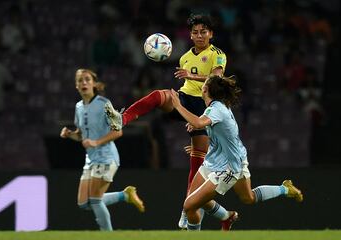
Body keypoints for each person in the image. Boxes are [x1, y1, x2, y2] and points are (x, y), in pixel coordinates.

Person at [107, 13, 227, 229]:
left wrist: (190, 76)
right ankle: (122, 118)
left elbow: (217, 79)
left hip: (204, 106)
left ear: (211, 34)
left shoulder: (217, 54)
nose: (199, 35)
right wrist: (184, 86)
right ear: (190, 35)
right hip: (184, 99)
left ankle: (187, 209)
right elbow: (185, 84)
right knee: (159, 95)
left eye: (203, 32)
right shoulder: (184, 57)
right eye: (195, 32)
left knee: (197, 164)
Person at [169, 75, 304, 231]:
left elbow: (201, 122)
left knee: (190, 205)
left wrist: (178, 106)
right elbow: (211, 126)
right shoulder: (217, 106)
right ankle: (283, 190)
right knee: (247, 198)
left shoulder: (216, 109)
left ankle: (206, 229)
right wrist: (198, 125)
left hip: (228, 167)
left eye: (204, 83)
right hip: (216, 160)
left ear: (204, 89)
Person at [60, 69, 145, 231]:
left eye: (87, 79)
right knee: (84, 203)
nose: (83, 83)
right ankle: (124, 195)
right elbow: (82, 136)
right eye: (80, 80)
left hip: (107, 157)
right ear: (76, 86)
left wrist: (97, 142)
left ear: (94, 84)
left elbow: (118, 131)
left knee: (95, 200)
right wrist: (70, 134)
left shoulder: (104, 104)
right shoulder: (78, 107)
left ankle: (107, 235)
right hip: (91, 160)